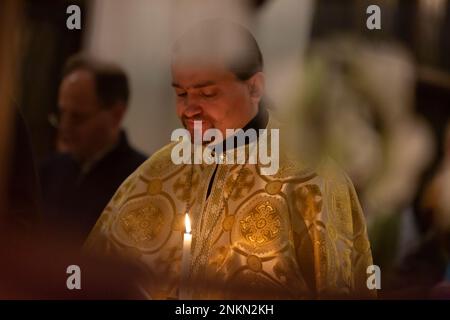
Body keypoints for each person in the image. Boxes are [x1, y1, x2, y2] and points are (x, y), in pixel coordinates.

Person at [84, 20, 375, 299]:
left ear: (255, 88)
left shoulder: (313, 178)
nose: (189, 110)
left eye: (207, 93)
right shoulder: (155, 176)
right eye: (181, 93)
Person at [40, 55, 147, 245]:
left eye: (78, 117)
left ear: (116, 115)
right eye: (62, 113)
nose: (64, 127)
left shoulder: (141, 182)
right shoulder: (48, 171)